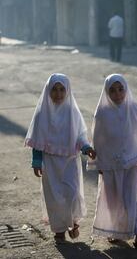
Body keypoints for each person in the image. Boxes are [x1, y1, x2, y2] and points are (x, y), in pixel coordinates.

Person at [89, 74, 137, 248]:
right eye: (112, 90)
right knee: (114, 200)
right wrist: (99, 162)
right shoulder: (102, 113)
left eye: (121, 89)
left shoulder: (133, 107)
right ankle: (115, 231)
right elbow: (98, 139)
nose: (118, 94)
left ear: (126, 89)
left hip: (131, 162)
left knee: (133, 198)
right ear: (107, 92)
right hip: (111, 165)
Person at [25, 73, 96, 243]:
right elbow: (38, 139)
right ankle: (59, 230)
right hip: (50, 163)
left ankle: (72, 221)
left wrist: (86, 148)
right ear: (48, 91)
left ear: (67, 91)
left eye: (62, 89)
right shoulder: (42, 113)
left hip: (70, 161)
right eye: (54, 90)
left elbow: (80, 136)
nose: (58, 94)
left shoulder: (72, 112)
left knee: (71, 193)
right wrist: (36, 161)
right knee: (54, 197)